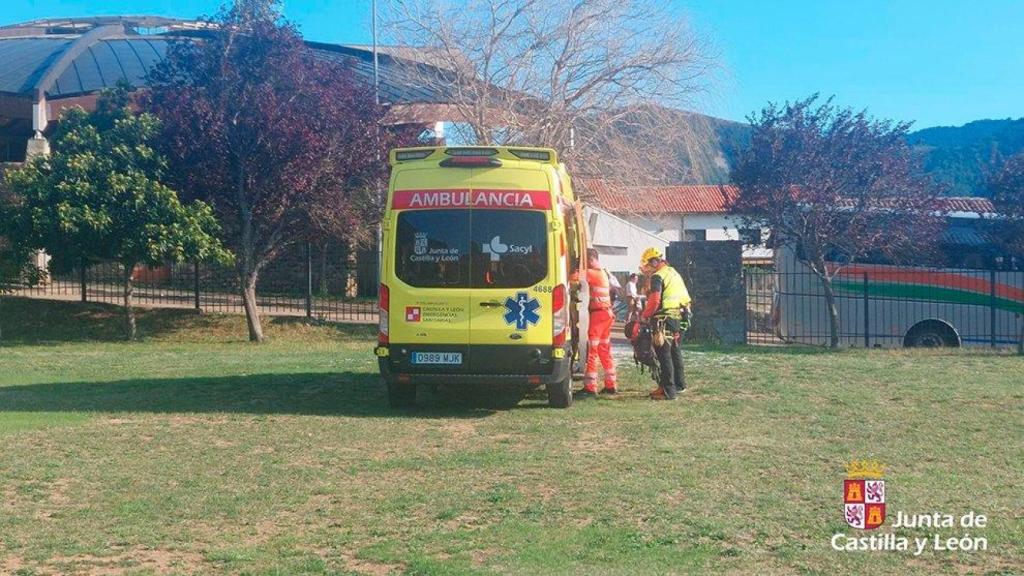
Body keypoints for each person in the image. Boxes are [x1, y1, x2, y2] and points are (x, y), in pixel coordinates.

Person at [639, 247, 691, 400]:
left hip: (664, 319)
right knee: (675, 351)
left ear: (654, 262)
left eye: (648, 265)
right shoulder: (673, 272)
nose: (647, 269)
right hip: (680, 317)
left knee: (664, 354)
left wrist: (645, 315)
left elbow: (655, 300)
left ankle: (668, 391)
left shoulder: (658, 276)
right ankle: (679, 385)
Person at [580, 248, 617, 396]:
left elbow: (572, 277)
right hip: (607, 314)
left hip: (598, 315)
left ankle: (590, 386)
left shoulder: (591, 273)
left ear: (589, 260)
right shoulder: (603, 272)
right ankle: (611, 384)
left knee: (592, 350)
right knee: (604, 349)